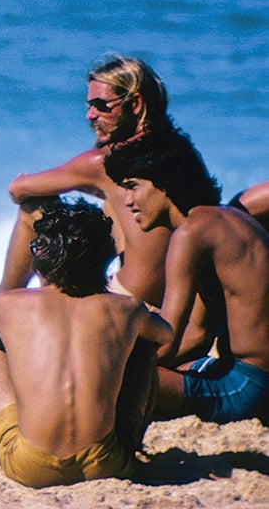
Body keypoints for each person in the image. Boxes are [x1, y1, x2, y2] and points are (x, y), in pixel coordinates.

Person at [0, 199, 173, 488]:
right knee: (144, 344)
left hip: (29, 466)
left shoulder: (9, 304)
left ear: (41, 257)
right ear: (103, 259)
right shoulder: (127, 308)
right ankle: (132, 441)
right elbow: (165, 334)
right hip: (106, 463)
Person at [104, 127, 269, 425]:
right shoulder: (223, 221)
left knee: (111, 377)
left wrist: (116, 364)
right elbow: (197, 333)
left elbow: (165, 339)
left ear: (164, 183)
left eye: (133, 186)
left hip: (247, 386)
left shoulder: (191, 234)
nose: (128, 201)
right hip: (251, 377)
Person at [0, 56, 173, 306]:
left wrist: (28, 181)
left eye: (101, 105)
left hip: (132, 294)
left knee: (35, 207)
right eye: (90, 105)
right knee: (112, 207)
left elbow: (18, 190)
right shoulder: (173, 150)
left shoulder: (103, 161)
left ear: (135, 104)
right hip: (170, 293)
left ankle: (4, 300)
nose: (91, 115)